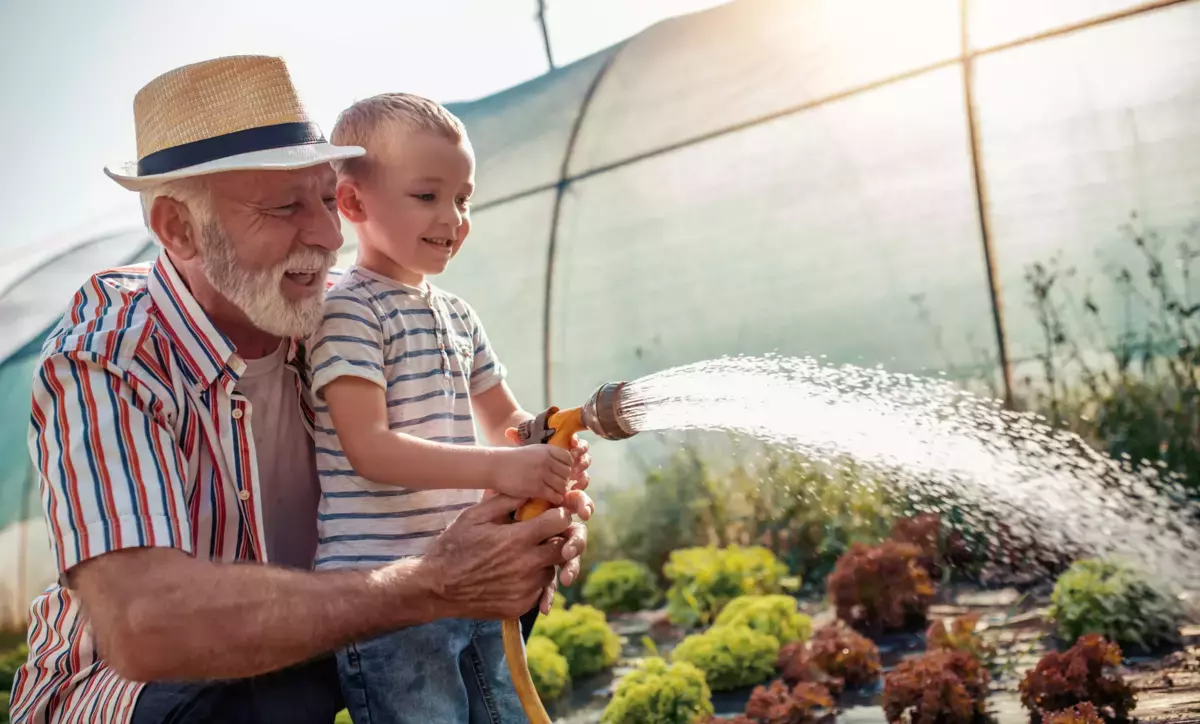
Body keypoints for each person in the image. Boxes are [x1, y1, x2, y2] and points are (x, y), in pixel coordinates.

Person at [8, 54, 592, 724]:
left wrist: (524, 520)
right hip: (132, 694)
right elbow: (149, 627)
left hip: (328, 636)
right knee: (269, 701)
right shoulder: (109, 357)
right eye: (285, 207)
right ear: (178, 228)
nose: (327, 235)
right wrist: (435, 581)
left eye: (324, 197)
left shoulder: (335, 319)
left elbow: (453, 466)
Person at [303, 93, 569, 723]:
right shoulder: (348, 310)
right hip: (389, 599)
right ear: (353, 203)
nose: (453, 217)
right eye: (427, 196)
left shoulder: (456, 313)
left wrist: (545, 445)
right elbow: (369, 449)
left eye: (463, 198)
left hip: (475, 577)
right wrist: (501, 471)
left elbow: (509, 426)